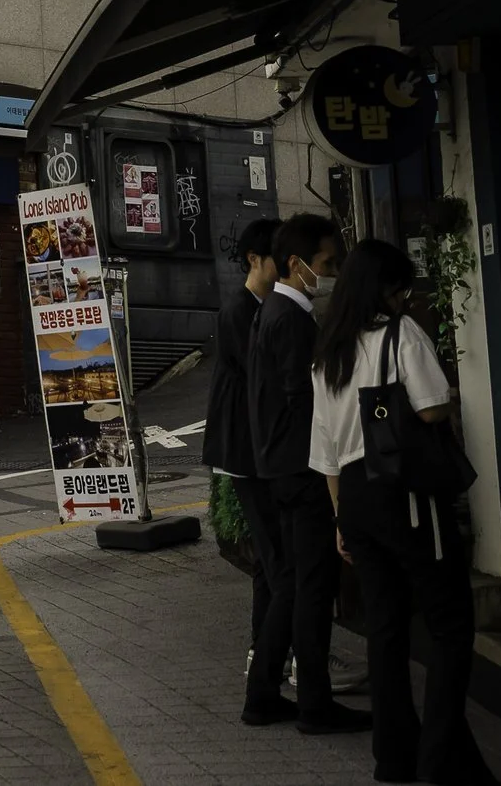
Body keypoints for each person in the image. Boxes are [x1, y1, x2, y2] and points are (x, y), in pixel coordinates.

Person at [314, 239, 495, 784]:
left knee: (385, 629)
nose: (404, 298)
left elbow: (323, 453)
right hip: (407, 496)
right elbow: (433, 407)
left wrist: (341, 518)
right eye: (402, 289)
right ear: (387, 291)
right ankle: (441, 761)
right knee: (449, 626)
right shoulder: (401, 335)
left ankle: (392, 756)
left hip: (355, 499)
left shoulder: (328, 355)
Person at [246, 214, 370, 734]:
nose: (331, 273)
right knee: (312, 587)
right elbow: (306, 405)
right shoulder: (291, 319)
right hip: (303, 470)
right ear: (297, 265)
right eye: (325, 264)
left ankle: (264, 694)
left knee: (293, 586)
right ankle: (313, 702)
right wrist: (331, 474)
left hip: (280, 467)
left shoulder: (271, 312)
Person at [206, 218, 282, 695]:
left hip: (256, 448)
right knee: (277, 560)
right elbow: (264, 380)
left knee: (274, 559)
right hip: (245, 449)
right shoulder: (240, 312)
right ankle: (273, 652)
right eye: (279, 256)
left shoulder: (264, 307)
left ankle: (271, 648)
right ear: (254, 259)